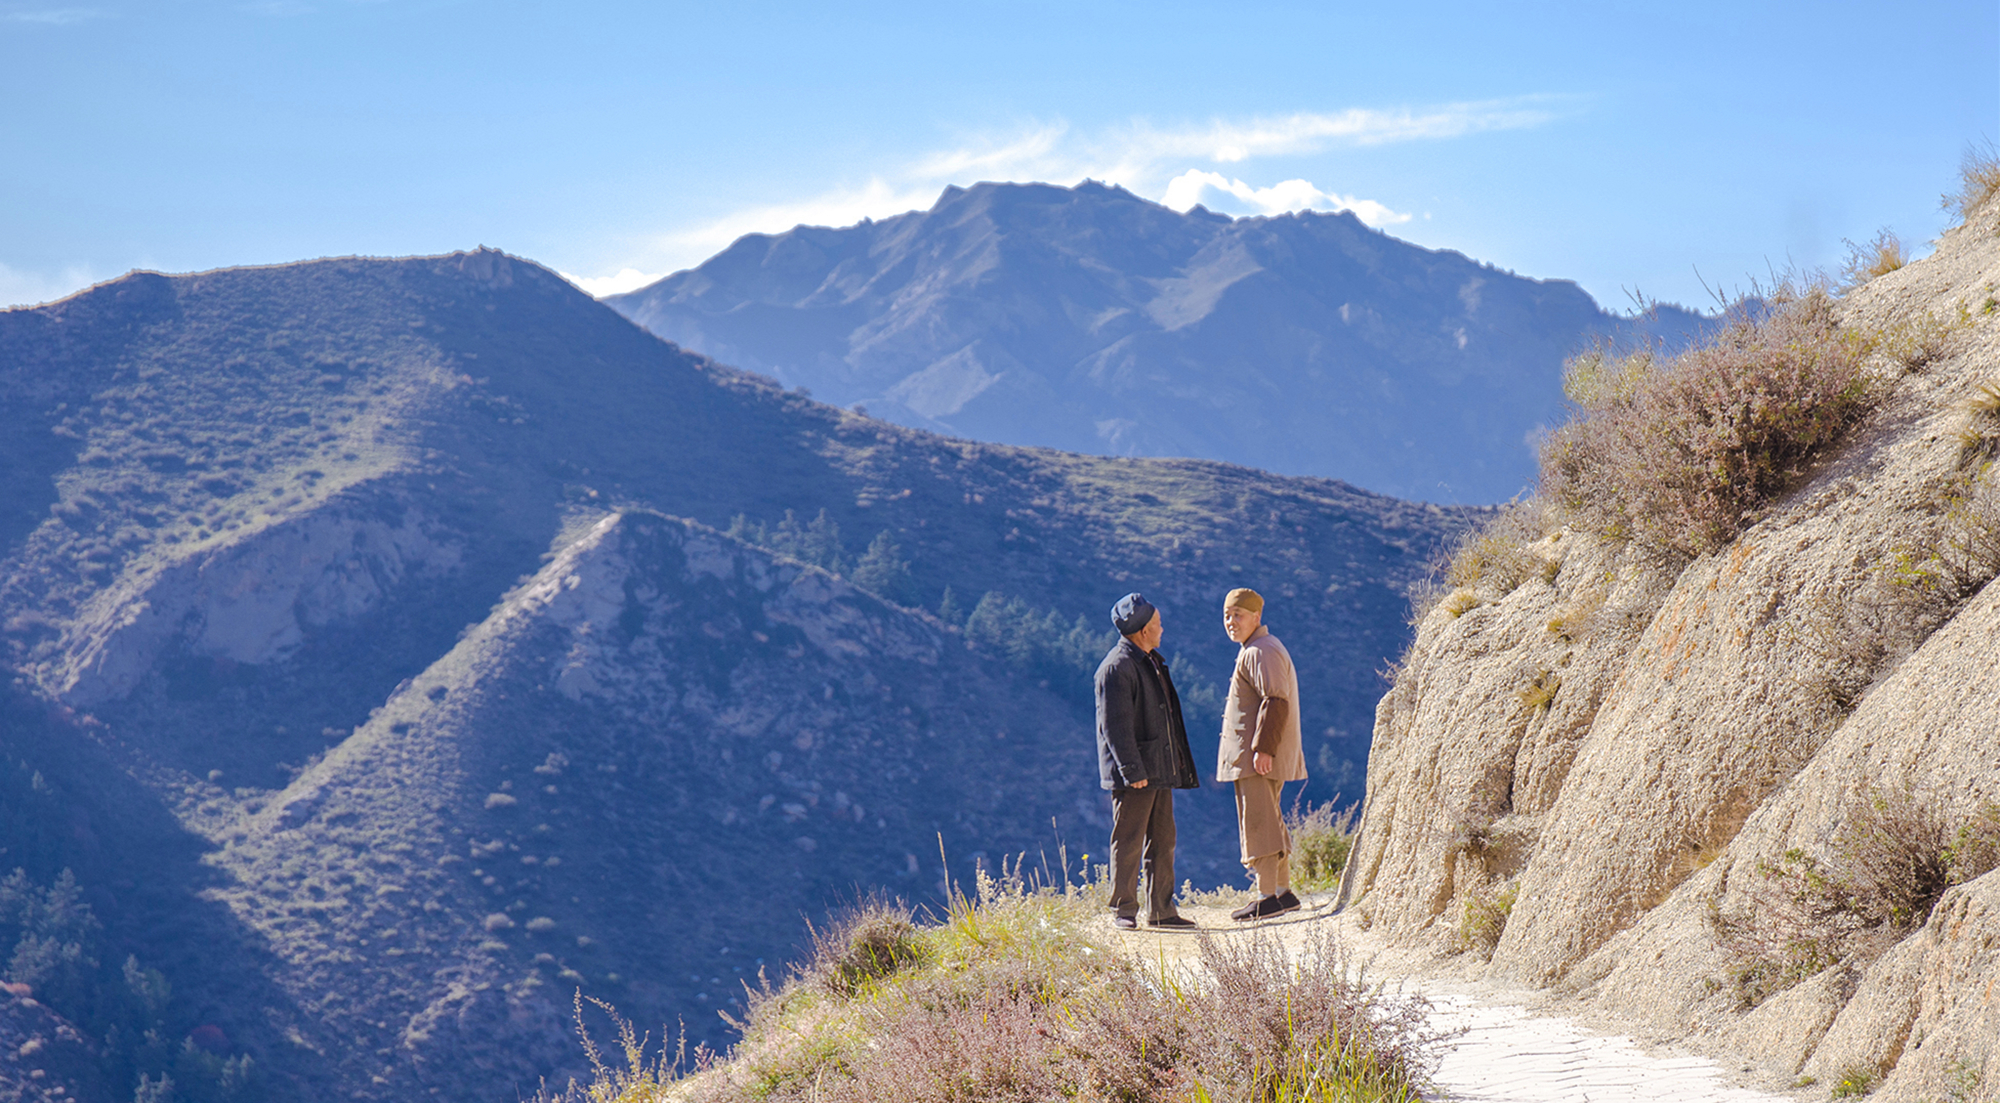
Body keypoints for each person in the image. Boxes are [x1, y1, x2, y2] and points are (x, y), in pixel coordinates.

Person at [1094, 592, 1200, 930]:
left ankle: (1162, 911)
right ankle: (1124, 911)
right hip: (1137, 773)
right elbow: (1115, 727)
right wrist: (1132, 770)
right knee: (1129, 841)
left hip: (1158, 768)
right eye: (1156, 625)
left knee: (1163, 839)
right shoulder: (1116, 668)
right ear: (1142, 632)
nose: (1162, 629)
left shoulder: (1150, 660)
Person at [1217, 587, 1307, 921]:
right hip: (1258, 756)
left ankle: (1266, 896)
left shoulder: (1260, 651)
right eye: (1227, 615)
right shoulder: (1259, 648)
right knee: (1270, 819)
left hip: (1257, 759)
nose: (1231, 622)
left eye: (1237, 615)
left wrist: (1263, 749)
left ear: (1256, 617)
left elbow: (1275, 701)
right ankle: (1283, 894)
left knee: (1260, 823)